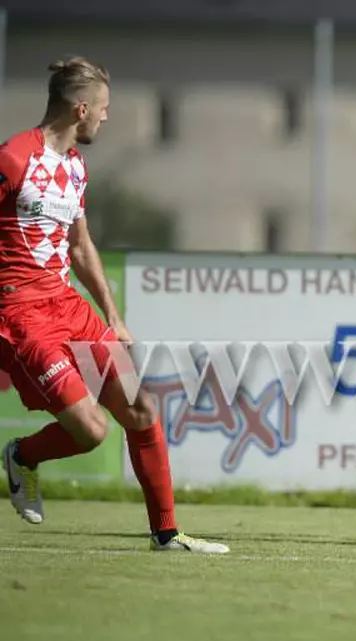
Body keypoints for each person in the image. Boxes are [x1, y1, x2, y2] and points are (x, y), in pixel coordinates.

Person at [0, 57, 228, 554]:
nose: (106, 118)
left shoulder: (76, 168)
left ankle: (167, 535)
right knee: (91, 431)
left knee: (143, 410)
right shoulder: (14, 158)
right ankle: (22, 455)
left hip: (67, 304)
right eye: (103, 110)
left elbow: (80, 247)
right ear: (81, 109)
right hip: (20, 314)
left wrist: (112, 315)